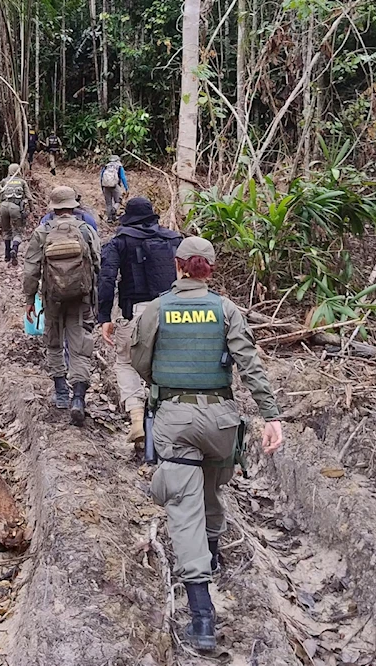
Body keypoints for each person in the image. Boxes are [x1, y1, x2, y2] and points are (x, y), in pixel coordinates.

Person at [130, 236, 284, 650]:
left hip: (175, 420)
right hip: (221, 422)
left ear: (178, 266)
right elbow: (250, 364)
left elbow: (140, 362)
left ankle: (202, 615)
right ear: (209, 270)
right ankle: (212, 553)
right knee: (212, 488)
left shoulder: (157, 309)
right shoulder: (226, 310)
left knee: (184, 507)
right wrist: (271, 416)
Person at [98, 197, 181, 445]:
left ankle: (136, 419)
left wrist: (104, 317)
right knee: (166, 364)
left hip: (134, 313)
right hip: (172, 312)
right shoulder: (175, 240)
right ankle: (170, 421)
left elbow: (106, 279)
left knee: (125, 362)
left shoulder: (119, 243)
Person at [24, 186, 101, 425]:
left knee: (54, 343)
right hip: (81, 298)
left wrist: (30, 299)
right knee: (79, 346)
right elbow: (98, 263)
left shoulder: (42, 231)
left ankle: (60, 393)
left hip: (52, 298)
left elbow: (31, 269)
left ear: (53, 207)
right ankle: (79, 398)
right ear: (73, 205)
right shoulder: (87, 230)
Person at [0, 163, 32, 265]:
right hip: (16, 207)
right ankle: (14, 249)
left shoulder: (4, 181)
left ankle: (6, 255)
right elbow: (29, 197)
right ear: (18, 170)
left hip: (3, 206)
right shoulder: (22, 182)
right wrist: (31, 209)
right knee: (17, 231)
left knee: (6, 231)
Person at [99, 155, 129, 224]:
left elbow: (101, 177)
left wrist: (102, 187)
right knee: (118, 201)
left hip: (105, 186)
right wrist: (126, 188)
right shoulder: (119, 166)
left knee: (108, 203)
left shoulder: (106, 166)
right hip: (115, 186)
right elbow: (123, 177)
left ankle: (110, 218)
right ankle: (114, 209)